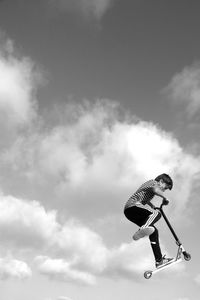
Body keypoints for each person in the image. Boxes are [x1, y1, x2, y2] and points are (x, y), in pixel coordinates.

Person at [124, 173, 174, 268]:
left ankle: (159, 261)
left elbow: (145, 200)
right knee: (156, 214)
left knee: (154, 232)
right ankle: (144, 227)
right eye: (165, 187)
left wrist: (153, 206)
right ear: (161, 181)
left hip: (130, 213)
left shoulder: (149, 190)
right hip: (132, 206)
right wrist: (164, 198)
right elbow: (155, 190)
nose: (164, 190)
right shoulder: (153, 183)